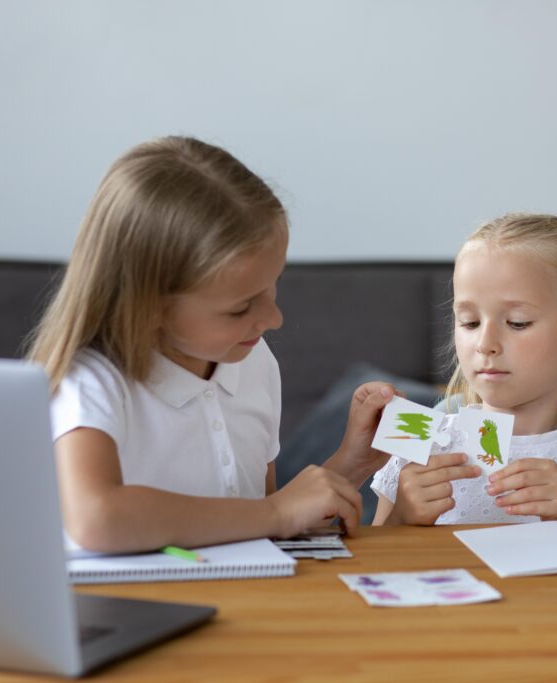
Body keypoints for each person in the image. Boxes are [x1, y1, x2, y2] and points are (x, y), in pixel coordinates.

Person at [28, 136, 393, 553]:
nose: (274, 319)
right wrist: (276, 513)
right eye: (240, 308)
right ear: (149, 306)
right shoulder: (93, 381)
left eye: (272, 288)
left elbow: (261, 522)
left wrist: (351, 463)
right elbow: (96, 520)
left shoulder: (252, 360)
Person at [372, 212, 557, 526]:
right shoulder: (414, 436)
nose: (486, 343)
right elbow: (368, 569)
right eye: (469, 322)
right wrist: (400, 517)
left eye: (517, 323)